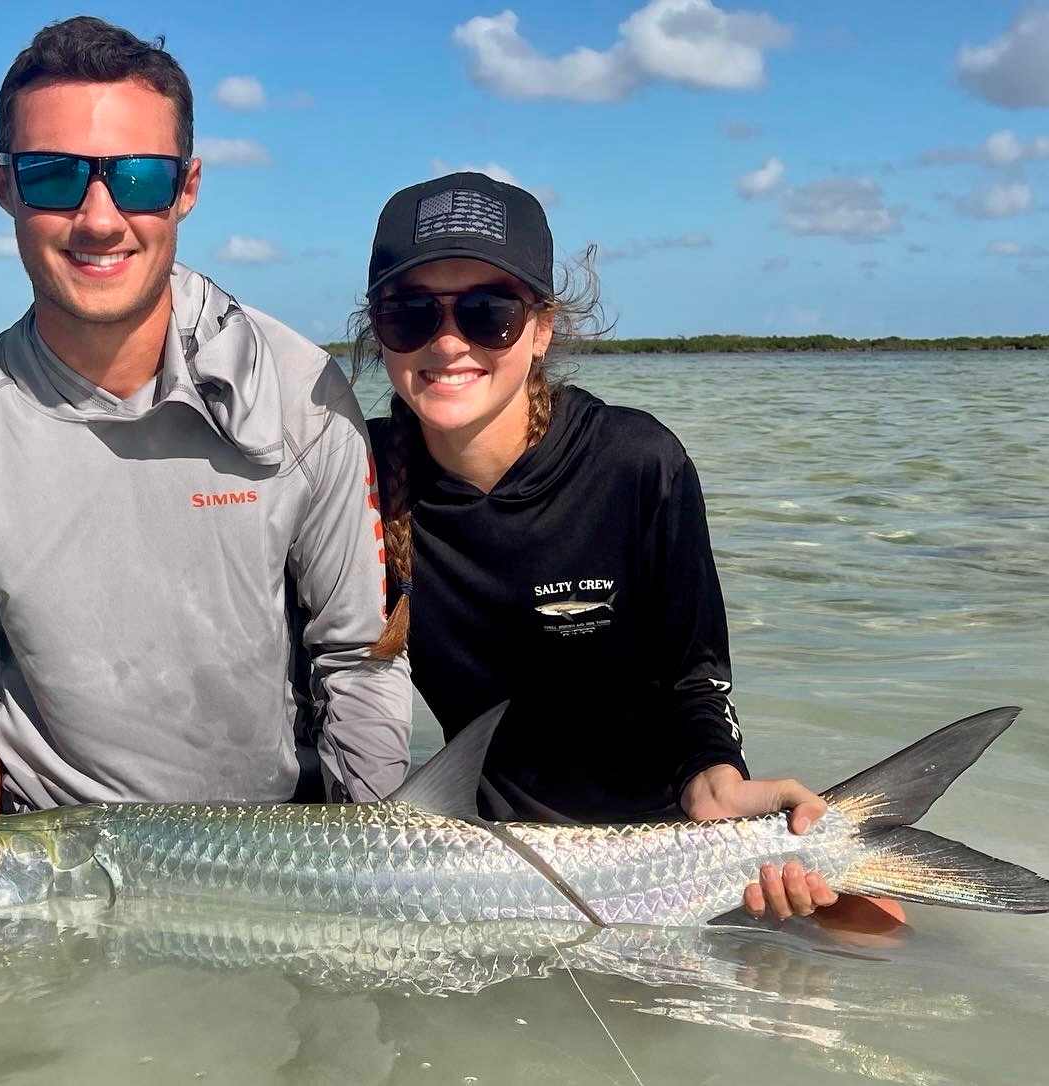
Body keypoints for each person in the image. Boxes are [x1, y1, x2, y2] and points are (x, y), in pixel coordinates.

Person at [0, 17, 410, 828]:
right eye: (54, 176)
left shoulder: (299, 390)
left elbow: (358, 656)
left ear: (187, 187)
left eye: (138, 178)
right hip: (49, 840)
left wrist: (374, 853)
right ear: (2, 184)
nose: (98, 218)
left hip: (272, 842)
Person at [354, 172, 885, 923]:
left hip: (672, 841)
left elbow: (697, 674)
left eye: (487, 312)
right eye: (410, 313)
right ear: (378, 332)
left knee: (877, 932)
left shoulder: (636, 462)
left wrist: (718, 778)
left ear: (540, 328)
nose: (448, 342)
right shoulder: (355, 478)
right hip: (489, 865)